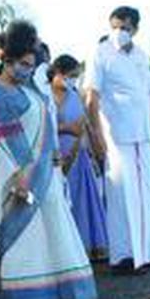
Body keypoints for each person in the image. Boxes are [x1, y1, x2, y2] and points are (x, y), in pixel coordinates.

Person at [0, 22, 98, 299]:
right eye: (22, 64)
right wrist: (20, 174)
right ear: (6, 61)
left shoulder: (31, 88)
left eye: (31, 65)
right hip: (17, 174)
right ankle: (28, 296)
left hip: (46, 170)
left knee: (57, 226)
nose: (27, 70)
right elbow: (4, 137)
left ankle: (69, 291)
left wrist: (53, 152)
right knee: (28, 234)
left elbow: (44, 123)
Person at [86, 6, 150, 274]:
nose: (119, 32)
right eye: (115, 26)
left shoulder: (140, 55)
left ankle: (147, 252)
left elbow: (149, 94)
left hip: (143, 133)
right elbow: (91, 97)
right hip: (117, 135)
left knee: (144, 194)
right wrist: (96, 135)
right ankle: (123, 256)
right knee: (121, 194)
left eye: (125, 28)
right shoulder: (101, 53)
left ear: (135, 30)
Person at [49, 55, 108, 260]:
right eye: (69, 76)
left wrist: (94, 147)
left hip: (79, 156)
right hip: (58, 158)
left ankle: (91, 246)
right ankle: (70, 252)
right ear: (57, 74)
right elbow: (42, 128)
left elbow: (85, 124)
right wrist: (66, 127)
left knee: (84, 201)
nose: (72, 80)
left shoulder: (75, 95)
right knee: (65, 203)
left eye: (75, 76)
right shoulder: (45, 97)